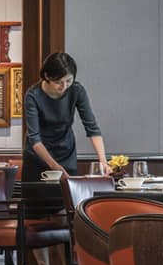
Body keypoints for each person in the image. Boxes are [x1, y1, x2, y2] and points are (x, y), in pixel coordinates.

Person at [22, 52, 108, 180]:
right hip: (38, 157)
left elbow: (93, 129)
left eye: (68, 80)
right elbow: (34, 139)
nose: (64, 86)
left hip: (65, 153)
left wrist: (103, 162)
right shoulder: (33, 96)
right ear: (47, 76)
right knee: (37, 197)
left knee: (67, 198)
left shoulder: (77, 91)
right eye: (58, 82)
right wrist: (56, 167)